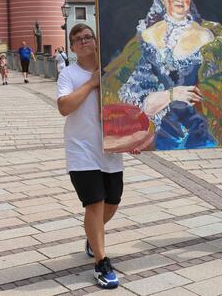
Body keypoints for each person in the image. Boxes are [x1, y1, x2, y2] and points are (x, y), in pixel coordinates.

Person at [101, 0, 222, 150]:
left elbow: (220, 95)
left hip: (199, 130)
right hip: (159, 132)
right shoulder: (148, 36)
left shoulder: (206, 36)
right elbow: (141, 101)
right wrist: (171, 95)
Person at [57, 23, 139, 289]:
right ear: (72, 47)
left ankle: (93, 236)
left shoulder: (112, 70)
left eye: (87, 37)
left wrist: (134, 138)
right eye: (77, 39)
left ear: (95, 41)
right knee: (95, 203)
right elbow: (64, 107)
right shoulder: (69, 74)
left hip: (110, 150)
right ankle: (101, 262)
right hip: (81, 150)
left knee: (112, 202)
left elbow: (128, 105)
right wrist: (92, 83)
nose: (83, 41)